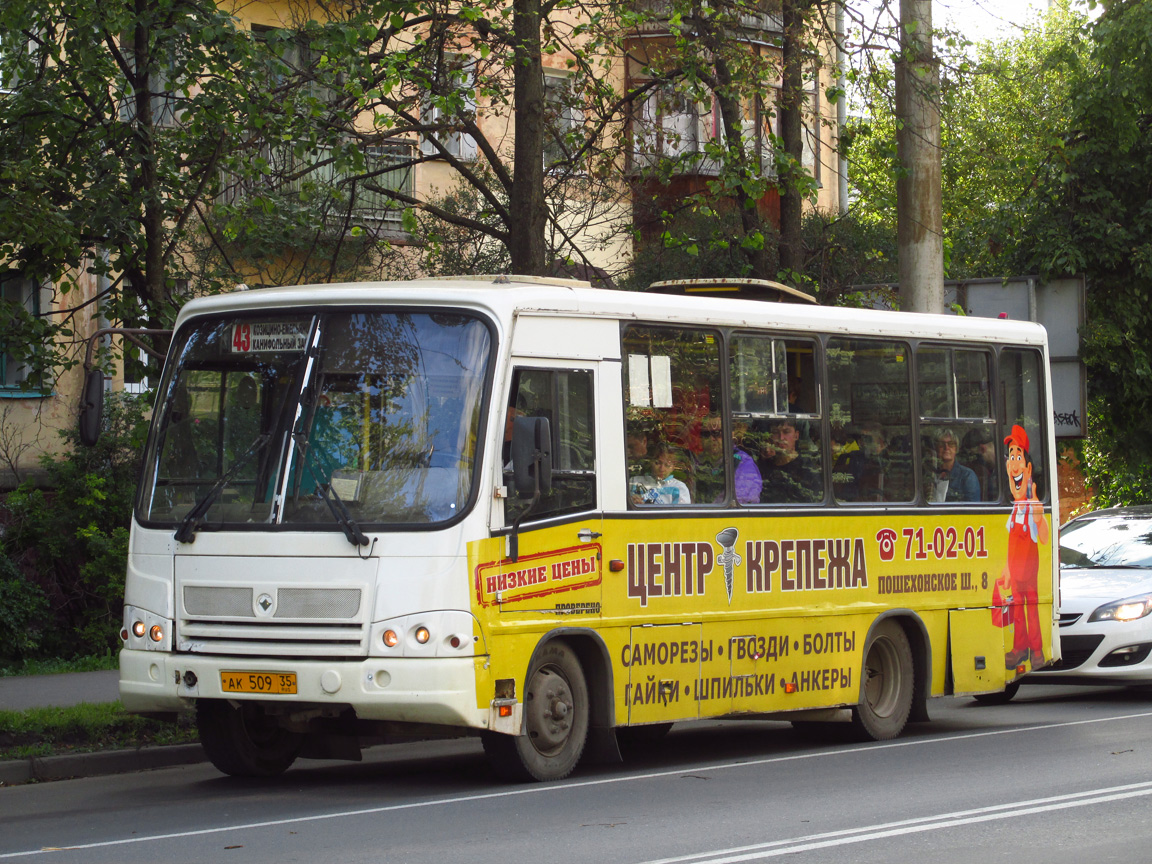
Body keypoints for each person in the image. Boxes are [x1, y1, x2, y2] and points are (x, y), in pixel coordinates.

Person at [998, 424, 1050, 668]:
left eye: (1018, 457)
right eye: (1011, 458)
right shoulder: (1014, 509)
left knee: (1031, 608)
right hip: (1015, 570)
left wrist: (1039, 517)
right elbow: (1010, 540)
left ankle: (1037, 651)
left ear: (1028, 469)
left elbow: (1044, 537)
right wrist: (1007, 570)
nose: (1014, 464)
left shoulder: (1031, 506)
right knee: (1017, 608)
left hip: (1029, 572)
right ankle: (1020, 649)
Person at [696, 415, 762, 504]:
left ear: (731, 434)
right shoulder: (697, 461)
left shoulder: (743, 462)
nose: (711, 438)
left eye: (717, 433)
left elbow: (737, 501)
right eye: (706, 434)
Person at [759, 419, 819, 504]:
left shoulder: (807, 468)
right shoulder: (764, 465)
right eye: (776, 432)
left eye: (786, 432)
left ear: (796, 436)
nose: (781, 438)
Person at [929, 427, 980, 502]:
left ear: (956, 449)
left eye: (951, 444)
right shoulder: (929, 474)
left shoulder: (967, 476)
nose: (946, 448)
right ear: (935, 448)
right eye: (941, 444)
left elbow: (973, 510)